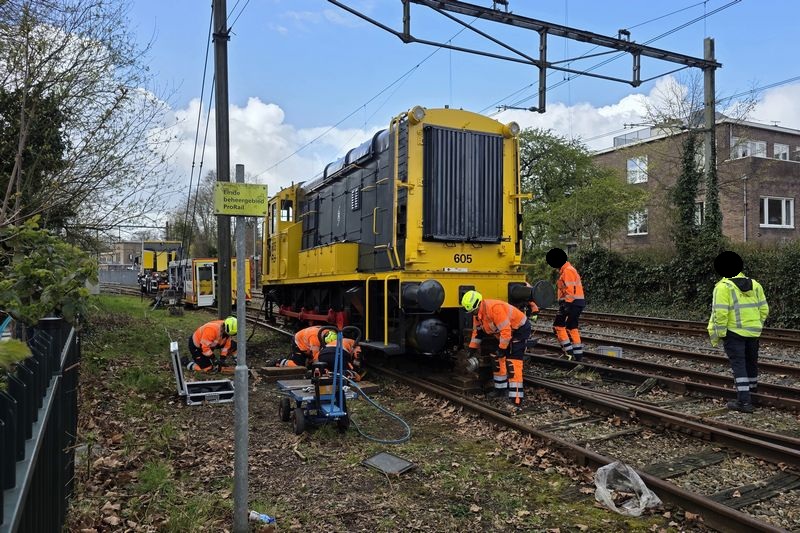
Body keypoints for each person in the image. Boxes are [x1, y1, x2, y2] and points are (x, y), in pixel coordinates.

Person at [707, 251, 769, 413]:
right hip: (753, 333)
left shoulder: (723, 287)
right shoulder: (755, 284)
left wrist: (720, 334)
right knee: (751, 363)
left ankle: (744, 401)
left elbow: (720, 313)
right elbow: (764, 309)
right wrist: (757, 325)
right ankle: (752, 394)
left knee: (739, 365)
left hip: (734, 333)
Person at [462, 290, 531, 405]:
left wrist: (503, 348)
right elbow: (477, 332)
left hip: (519, 329)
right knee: (497, 358)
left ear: (478, 304)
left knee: (513, 362)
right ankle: (500, 390)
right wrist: (472, 349)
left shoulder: (494, 308)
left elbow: (506, 330)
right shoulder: (477, 314)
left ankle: (517, 398)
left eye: (473, 310)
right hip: (504, 334)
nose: (473, 313)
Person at [547, 248, 585, 361]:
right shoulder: (568, 270)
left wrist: (567, 304)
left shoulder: (567, 270)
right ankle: (577, 355)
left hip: (571, 303)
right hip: (576, 303)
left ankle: (569, 353)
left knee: (558, 326)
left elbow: (570, 289)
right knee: (571, 327)